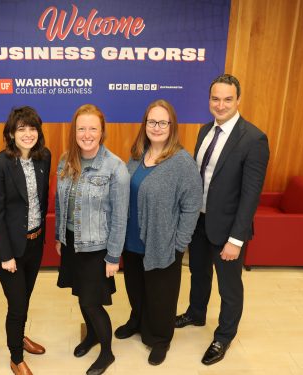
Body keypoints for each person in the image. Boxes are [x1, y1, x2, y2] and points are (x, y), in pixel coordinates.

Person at [175, 74, 270, 365]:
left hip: (228, 229)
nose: (221, 105)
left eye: (227, 99)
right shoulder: (205, 130)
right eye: (215, 99)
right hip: (200, 222)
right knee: (198, 273)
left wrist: (236, 239)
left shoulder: (254, 139)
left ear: (238, 100)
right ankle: (196, 313)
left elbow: (250, 196)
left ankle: (224, 336)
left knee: (229, 286)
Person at [114, 99, 203, 366]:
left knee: (161, 296)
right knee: (135, 287)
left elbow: (191, 206)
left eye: (163, 122)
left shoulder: (182, 162)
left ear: (172, 126)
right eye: (152, 121)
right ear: (145, 125)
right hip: (131, 241)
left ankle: (161, 338)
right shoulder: (137, 154)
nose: (156, 127)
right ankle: (137, 321)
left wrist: (179, 244)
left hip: (162, 243)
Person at [55, 104, 129, 375]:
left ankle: (107, 352)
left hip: (98, 248)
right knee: (81, 296)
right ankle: (92, 337)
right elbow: (61, 203)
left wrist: (113, 256)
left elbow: (121, 217)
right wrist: (59, 238)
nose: (87, 134)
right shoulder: (66, 160)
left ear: (102, 131)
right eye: (81, 128)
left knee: (91, 301)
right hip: (72, 243)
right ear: (74, 131)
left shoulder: (115, 168)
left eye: (92, 128)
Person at [0, 106, 51, 375]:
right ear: (11, 133)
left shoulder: (43, 157)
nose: (27, 133)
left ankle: (20, 336)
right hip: (10, 249)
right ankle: (15, 356)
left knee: (25, 297)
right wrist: (5, 255)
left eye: (32, 128)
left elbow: (42, 200)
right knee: (17, 304)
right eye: (21, 128)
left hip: (34, 243)